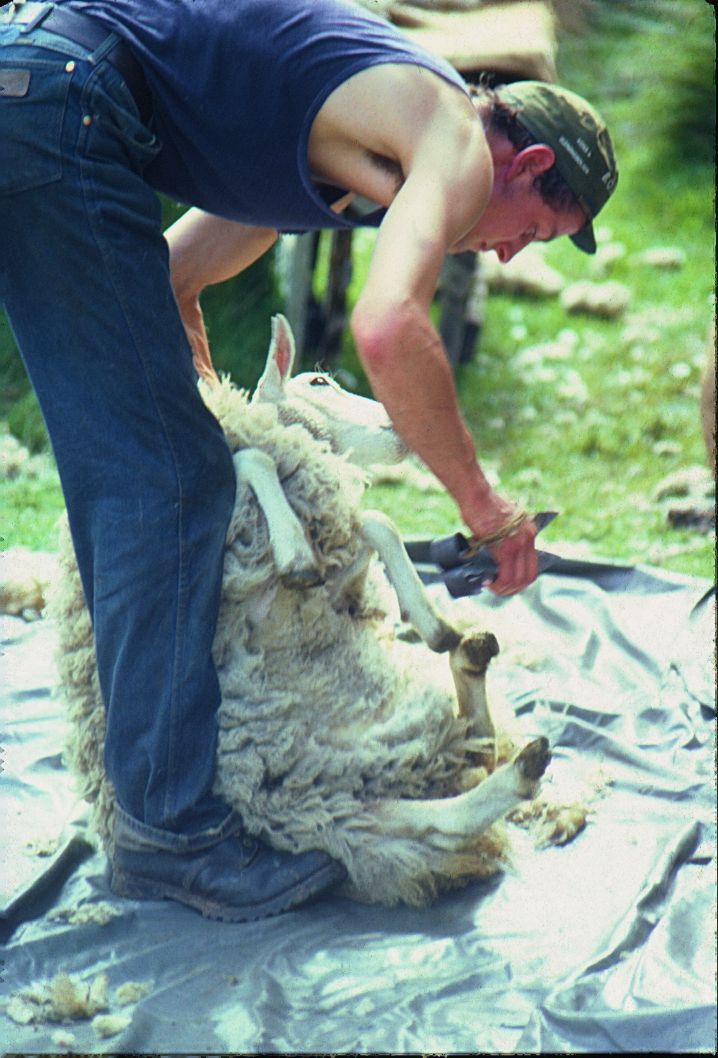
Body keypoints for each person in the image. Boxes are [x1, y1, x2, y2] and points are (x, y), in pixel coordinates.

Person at [0, 0, 618, 921]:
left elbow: (173, 282)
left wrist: (209, 409)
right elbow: (388, 326)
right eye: (532, 228)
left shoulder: (338, 158)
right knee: (164, 484)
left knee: (169, 466)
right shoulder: (448, 132)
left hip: (39, 87)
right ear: (525, 165)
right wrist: (490, 510)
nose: (506, 250)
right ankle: (170, 836)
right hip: (64, 99)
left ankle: (162, 804)